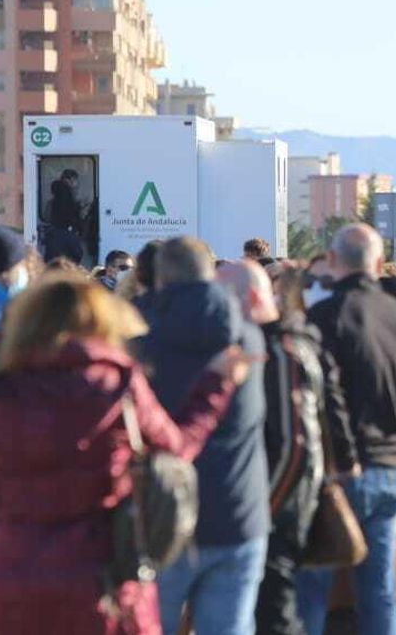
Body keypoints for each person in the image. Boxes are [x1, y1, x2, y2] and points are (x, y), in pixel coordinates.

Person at [0, 277, 242, 635]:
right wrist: (214, 389)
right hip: (99, 578)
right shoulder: (118, 385)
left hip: (10, 574)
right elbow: (176, 448)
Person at [125, 237, 268, 635]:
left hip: (158, 512)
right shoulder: (248, 337)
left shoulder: (135, 338)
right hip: (238, 509)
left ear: (160, 275)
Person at [298, 224, 396, 635]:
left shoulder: (324, 316)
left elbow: (321, 393)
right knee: (378, 588)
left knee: (312, 587)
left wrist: (341, 457)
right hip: (392, 466)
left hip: (341, 469)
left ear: (334, 261)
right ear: (378, 263)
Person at [227, 262, 331, 635]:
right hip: (273, 501)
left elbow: (293, 443)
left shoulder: (281, 349)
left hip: (280, 506)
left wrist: (265, 509)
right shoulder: (268, 344)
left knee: (276, 613)